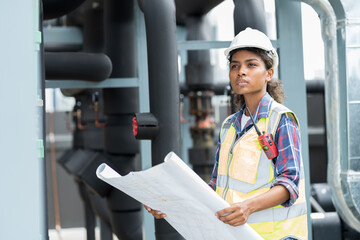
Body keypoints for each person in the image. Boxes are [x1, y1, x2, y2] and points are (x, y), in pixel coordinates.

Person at [145, 27, 308, 240]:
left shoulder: (281, 119)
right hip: (237, 235)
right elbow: (217, 188)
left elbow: (289, 183)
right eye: (235, 66)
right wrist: (172, 203)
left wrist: (247, 208)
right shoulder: (229, 125)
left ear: (269, 73)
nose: (241, 71)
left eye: (251, 65)